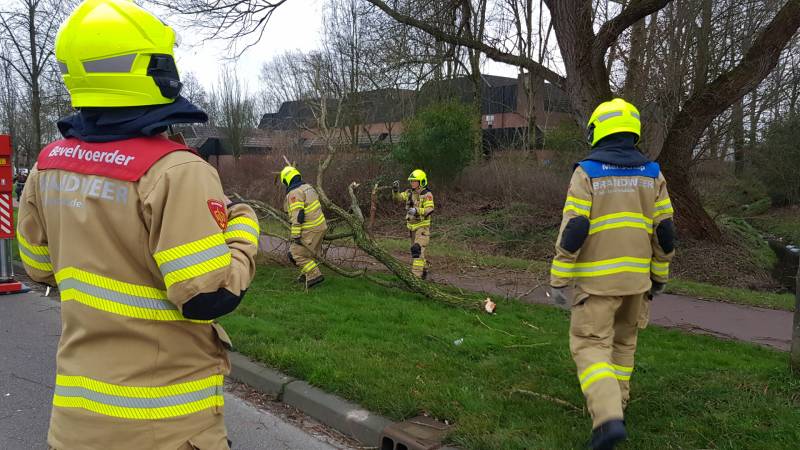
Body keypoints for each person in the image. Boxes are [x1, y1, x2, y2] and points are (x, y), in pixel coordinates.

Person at [16, 1, 260, 448]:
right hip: (166, 428)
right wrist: (243, 226)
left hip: (75, 428)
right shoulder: (176, 172)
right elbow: (207, 297)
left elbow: (37, 266)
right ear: (153, 69)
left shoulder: (47, 166)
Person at [549, 98, 675, 449]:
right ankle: (617, 406)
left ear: (598, 130)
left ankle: (606, 421)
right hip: (637, 283)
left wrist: (559, 279)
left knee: (590, 346)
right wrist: (659, 276)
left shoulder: (587, 173)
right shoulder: (653, 174)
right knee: (623, 345)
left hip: (597, 285)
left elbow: (573, 231)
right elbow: (665, 233)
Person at [281, 165, 327, 287]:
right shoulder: (308, 187)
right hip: (320, 226)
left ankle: (314, 275)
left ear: (287, 180)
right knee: (308, 254)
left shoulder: (294, 193)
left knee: (295, 253)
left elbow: (298, 215)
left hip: (310, 229)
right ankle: (306, 274)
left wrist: (295, 235)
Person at [392, 169, 435, 278]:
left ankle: (416, 278)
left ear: (421, 182)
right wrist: (395, 191)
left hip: (422, 228)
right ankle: (424, 269)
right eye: (411, 181)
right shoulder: (409, 193)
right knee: (417, 252)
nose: (412, 183)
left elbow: (430, 209)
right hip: (412, 228)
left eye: (414, 181)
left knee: (417, 249)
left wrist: (417, 211)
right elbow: (398, 199)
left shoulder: (427, 195)